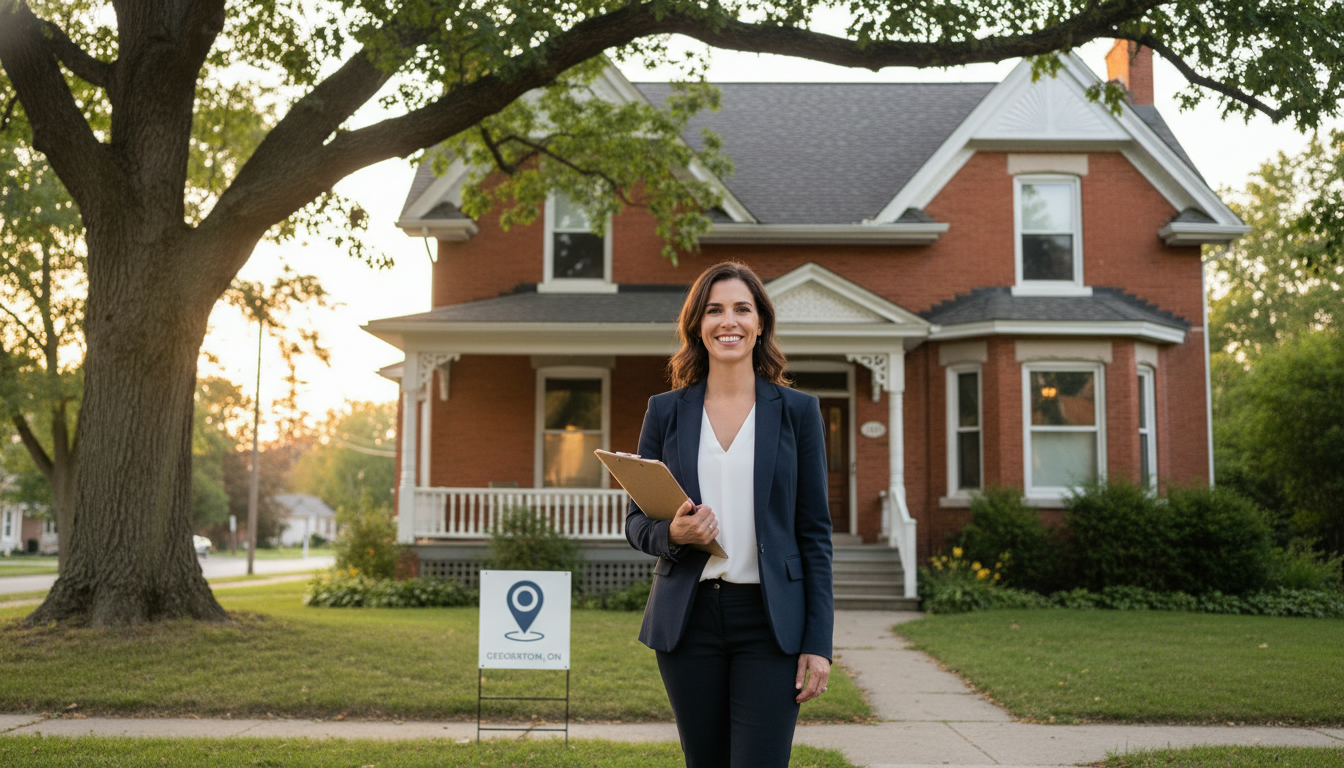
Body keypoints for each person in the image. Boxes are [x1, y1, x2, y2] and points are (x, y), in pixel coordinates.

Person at [625, 261, 834, 767]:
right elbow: (636, 523)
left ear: (761, 322)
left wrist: (818, 641)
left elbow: (814, 534)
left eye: (742, 308)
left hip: (769, 622)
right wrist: (673, 533)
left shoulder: (797, 412)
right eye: (714, 310)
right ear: (697, 325)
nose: (729, 321)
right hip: (687, 621)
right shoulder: (665, 411)